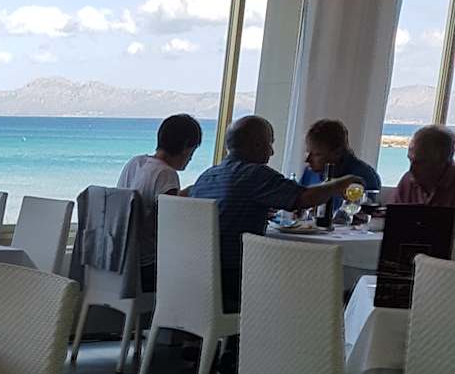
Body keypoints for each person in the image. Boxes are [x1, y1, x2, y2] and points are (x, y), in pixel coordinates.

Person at [190, 115, 361, 311]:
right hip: (235, 280)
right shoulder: (254, 174)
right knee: (317, 284)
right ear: (256, 145)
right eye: (269, 144)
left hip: (201, 279)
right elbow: (304, 198)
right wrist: (342, 183)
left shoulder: (206, 177)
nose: (271, 152)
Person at [117, 113, 202, 280]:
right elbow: (166, 226)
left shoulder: (135, 163)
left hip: (122, 260)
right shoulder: (167, 174)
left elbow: (147, 202)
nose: (191, 157)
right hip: (146, 266)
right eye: (192, 150)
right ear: (186, 147)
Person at [299, 118, 381, 193]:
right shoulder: (310, 173)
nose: (307, 160)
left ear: (337, 153)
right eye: (307, 152)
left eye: (317, 154)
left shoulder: (364, 177)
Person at [395, 124, 455, 207]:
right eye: (410, 160)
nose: (411, 169)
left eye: (420, 163)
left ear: (442, 160)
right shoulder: (407, 181)